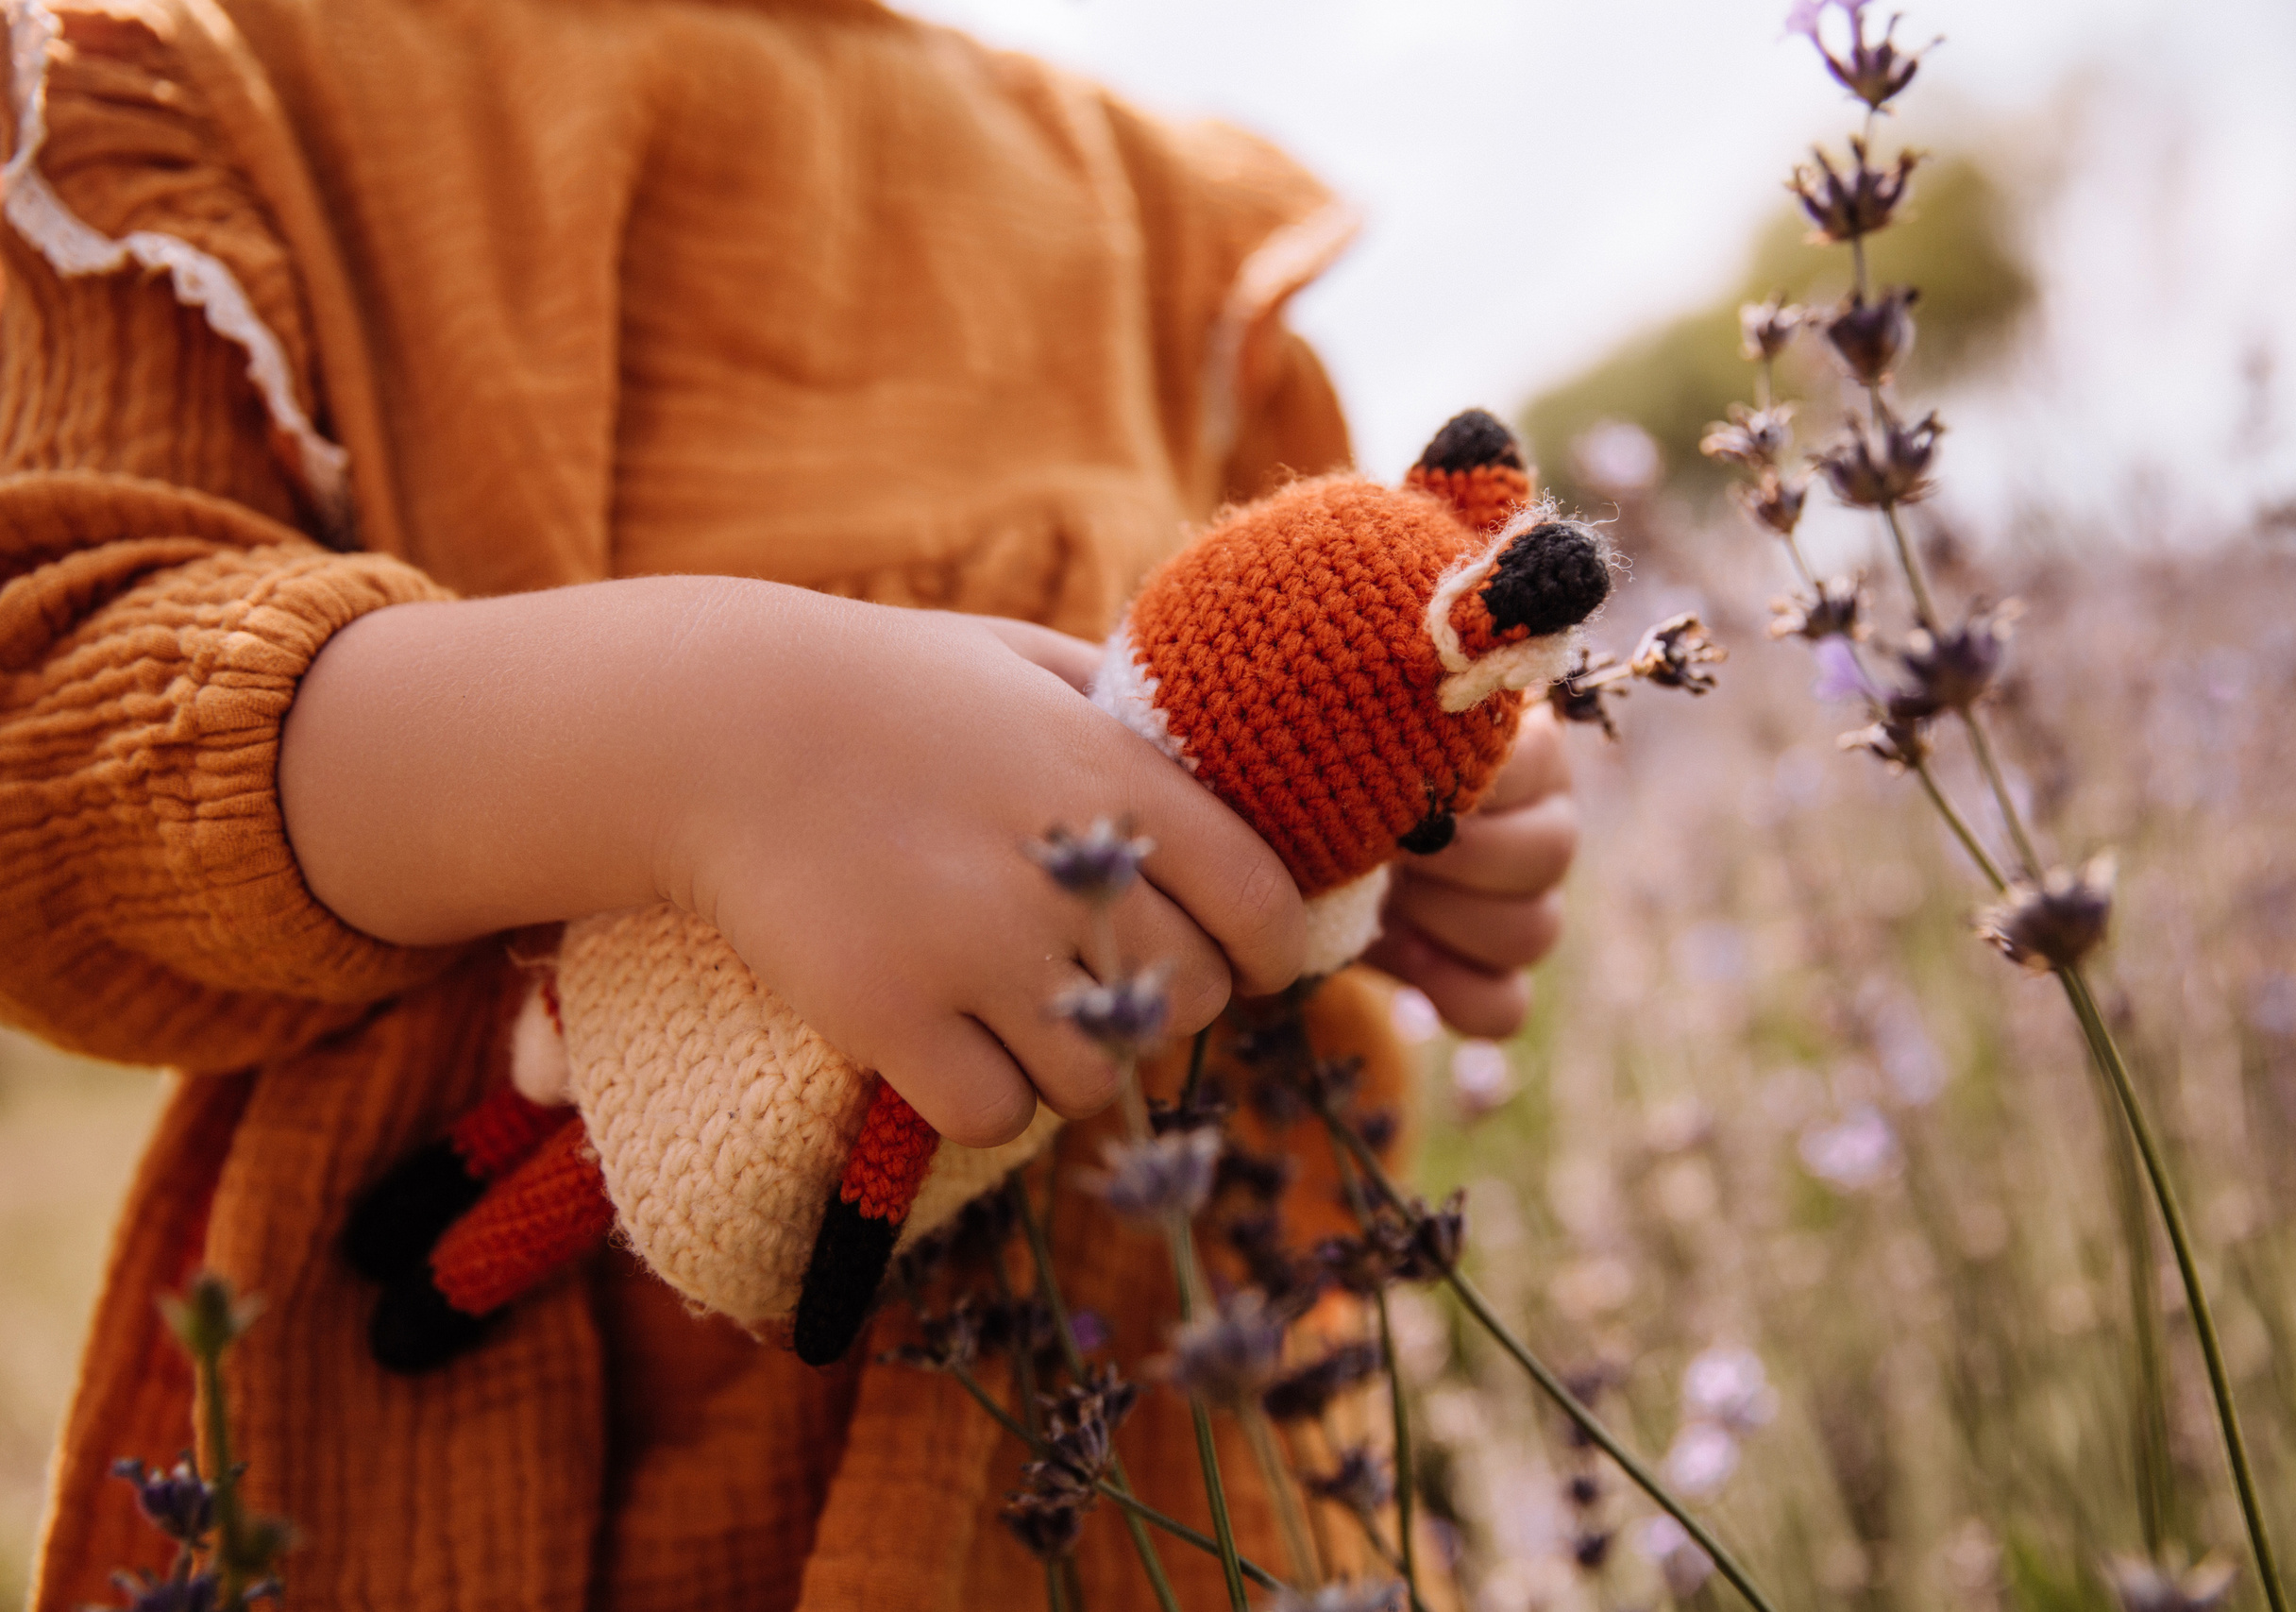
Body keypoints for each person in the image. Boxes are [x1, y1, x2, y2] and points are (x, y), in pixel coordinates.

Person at [0, 0, 1579, 1604]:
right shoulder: (252, 83)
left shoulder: (1145, 209)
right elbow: (53, 723)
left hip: (1165, 1466)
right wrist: (693, 741)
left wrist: (1421, 827)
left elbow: (1288, 677)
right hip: (550, 1470)